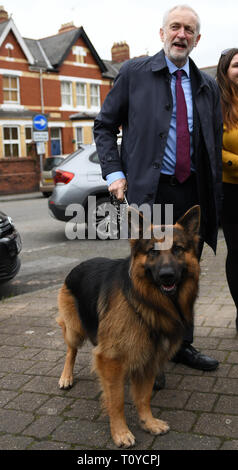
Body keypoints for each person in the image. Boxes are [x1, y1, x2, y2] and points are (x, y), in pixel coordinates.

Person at [94, 4, 223, 386]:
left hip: (192, 192)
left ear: (197, 40)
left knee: (184, 270)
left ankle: (180, 345)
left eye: (189, 30)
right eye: (175, 27)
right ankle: (148, 352)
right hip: (152, 191)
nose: (181, 35)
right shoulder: (134, 73)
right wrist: (115, 173)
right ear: (162, 33)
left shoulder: (207, 85)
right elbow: (104, 126)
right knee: (150, 271)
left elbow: (211, 142)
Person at [217, 48, 238, 332]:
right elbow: (211, 146)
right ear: (225, 70)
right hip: (231, 192)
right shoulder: (217, 104)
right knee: (237, 252)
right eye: (236, 65)